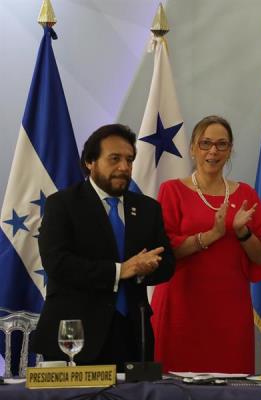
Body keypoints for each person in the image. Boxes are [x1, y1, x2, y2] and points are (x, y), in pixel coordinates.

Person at [33, 124, 175, 370]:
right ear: (90, 161)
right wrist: (121, 271)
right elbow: (57, 263)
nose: (124, 167)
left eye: (129, 160)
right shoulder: (63, 205)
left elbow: (167, 263)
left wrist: (147, 268)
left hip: (133, 336)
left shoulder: (147, 208)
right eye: (115, 159)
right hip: (75, 339)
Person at [150, 115, 261, 374]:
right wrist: (211, 235)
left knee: (230, 382)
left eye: (221, 144)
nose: (213, 151)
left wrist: (242, 233)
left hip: (229, 309)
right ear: (193, 148)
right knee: (175, 384)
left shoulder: (246, 194)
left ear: (230, 150)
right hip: (181, 307)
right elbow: (165, 250)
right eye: (205, 143)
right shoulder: (171, 190)